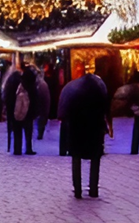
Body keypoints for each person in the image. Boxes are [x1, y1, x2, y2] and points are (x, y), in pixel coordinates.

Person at [58, 71, 111, 199]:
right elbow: (106, 109)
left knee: (76, 157)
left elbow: (64, 113)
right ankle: (93, 189)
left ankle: (77, 190)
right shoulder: (99, 90)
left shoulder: (73, 91)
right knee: (95, 158)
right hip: (95, 127)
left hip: (77, 128)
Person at [12, 63, 38, 155]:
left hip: (18, 111)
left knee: (17, 130)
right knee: (28, 131)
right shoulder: (32, 87)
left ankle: (17, 149)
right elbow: (35, 100)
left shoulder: (19, 84)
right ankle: (28, 148)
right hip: (29, 113)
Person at [36, 69, 51, 140]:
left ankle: (40, 133)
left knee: (41, 118)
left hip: (41, 104)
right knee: (42, 118)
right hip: (44, 104)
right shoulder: (43, 84)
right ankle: (40, 133)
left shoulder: (40, 84)